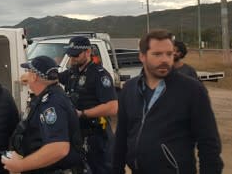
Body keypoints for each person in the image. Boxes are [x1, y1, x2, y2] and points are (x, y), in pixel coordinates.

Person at [113, 29, 223, 174]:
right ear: (142, 56)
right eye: (157, 54)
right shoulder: (129, 89)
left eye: (169, 54)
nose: (165, 59)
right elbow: (121, 137)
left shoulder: (192, 90)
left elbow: (209, 144)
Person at [2, 56, 84, 174]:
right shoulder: (48, 95)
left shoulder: (52, 103)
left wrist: (20, 166)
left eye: (29, 72)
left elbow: (58, 148)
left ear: (34, 76)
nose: (26, 75)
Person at [58, 36, 117, 174]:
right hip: (78, 135)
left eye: (75, 55)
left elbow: (112, 106)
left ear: (88, 52)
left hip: (97, 134)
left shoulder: (99, 75)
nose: (72, 58)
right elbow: (53, 77)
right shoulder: (73, 72)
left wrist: (82, 113)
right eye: (70, 54)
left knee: (101, 168)